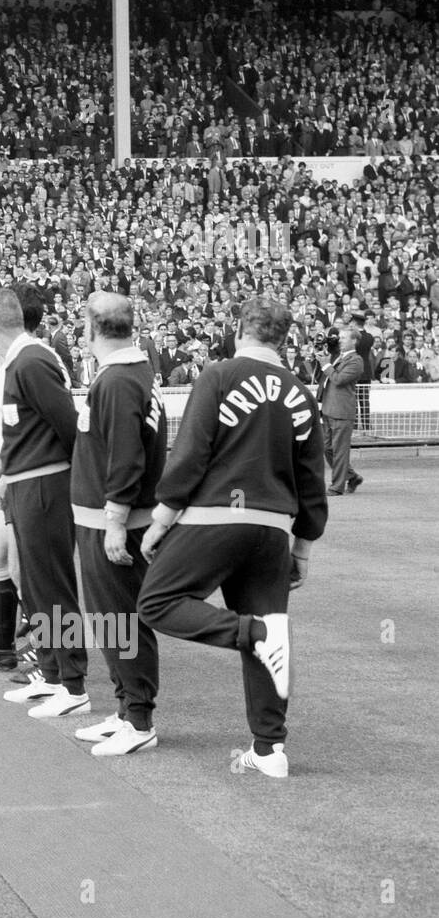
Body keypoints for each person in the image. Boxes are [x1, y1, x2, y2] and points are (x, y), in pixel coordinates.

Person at [138, 296, 329, 779]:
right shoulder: (302, 393)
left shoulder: (218, 375)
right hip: (272, 530)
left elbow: (191, 451)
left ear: (240, 328)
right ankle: (269, 750)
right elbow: (311, 477)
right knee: (271, 631)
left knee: (157, 602)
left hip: (215, 518)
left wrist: (162, 518)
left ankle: (253, 633)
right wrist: (303, 546)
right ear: (284, 339)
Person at [68, 293, 167, 756]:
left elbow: (125, 457)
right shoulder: (131, 373)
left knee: (119, 619)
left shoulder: (120, 380)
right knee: (113, 619)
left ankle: (139, 719)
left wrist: (114, 521)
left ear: (92, 329)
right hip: (115, 517)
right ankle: (128, 709)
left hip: (116, 522)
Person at [0, 285, 92, 718]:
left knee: (53, 587)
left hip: (46, 486)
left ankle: (73, 684)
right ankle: (51, 675)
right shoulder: (21, 361)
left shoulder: (31, 361)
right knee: (35, 585)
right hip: (27, 484)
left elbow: (69, 426)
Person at [318, 329, 363, 495]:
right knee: (327, 447)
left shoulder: (356, 361)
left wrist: (326, 365)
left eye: (344, 338)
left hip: (342, 411)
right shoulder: (340, 356)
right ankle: (352, 476)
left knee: (339, 450)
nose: (340, 340)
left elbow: (338, 380)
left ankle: (337, 487)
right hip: (330, 409)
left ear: (354, 341)